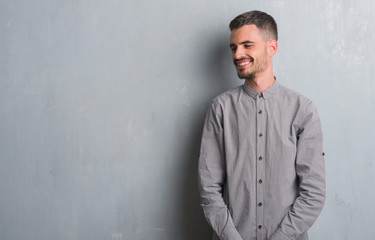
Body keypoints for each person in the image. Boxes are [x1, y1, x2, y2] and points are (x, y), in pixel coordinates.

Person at [198, 10, 325, 240]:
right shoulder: (220, 109)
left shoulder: (303, 110)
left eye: (247, 45)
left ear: (272, 47)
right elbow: (209, 190)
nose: (238, 54)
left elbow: (313, 193)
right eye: (233, 47)